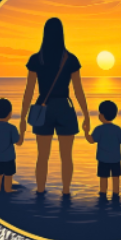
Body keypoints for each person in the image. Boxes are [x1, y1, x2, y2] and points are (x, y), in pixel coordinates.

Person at [18, 16, 90, 198]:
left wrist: (22, 118)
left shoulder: (36, 59)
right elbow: (78, 91)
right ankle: (66, 192)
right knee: (66, 156)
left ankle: (41, 191)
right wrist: (86, 116)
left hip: (43, 107)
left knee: (42, 156)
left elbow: (29, 91)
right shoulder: (70, 59)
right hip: (64, 108)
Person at [90, 100, 121, 201]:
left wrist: (86, 133)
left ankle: (103, 194)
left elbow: (92, 140)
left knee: (103, 177)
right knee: (116, 177)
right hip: (116, 159)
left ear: (102, 115)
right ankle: (116, 194)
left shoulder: (99, 129)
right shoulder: (118, 129)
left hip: (103, 159)